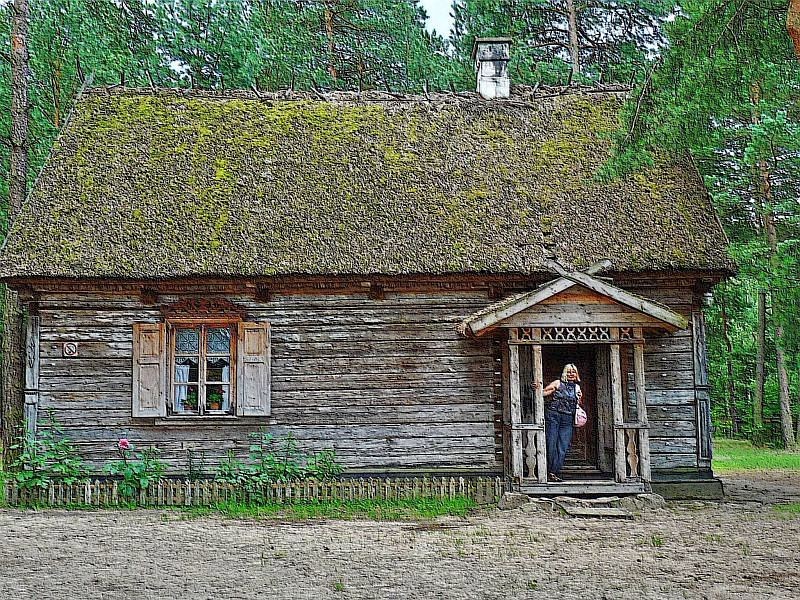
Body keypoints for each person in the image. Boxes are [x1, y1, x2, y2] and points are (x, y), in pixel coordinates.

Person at [534, 364, 583, 482]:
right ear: (564, 373)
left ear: (576, 374)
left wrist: (579, 398)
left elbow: (577, 404)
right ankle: (544, 471)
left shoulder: (577, 388)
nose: (571, 374)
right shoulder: (557, 383)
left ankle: (553, 472)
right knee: (551, 443)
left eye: (573, 372)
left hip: (567, 418)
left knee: (563, 446)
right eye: (569, 372)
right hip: (554, 415)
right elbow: (543, 393)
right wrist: (536, 388)